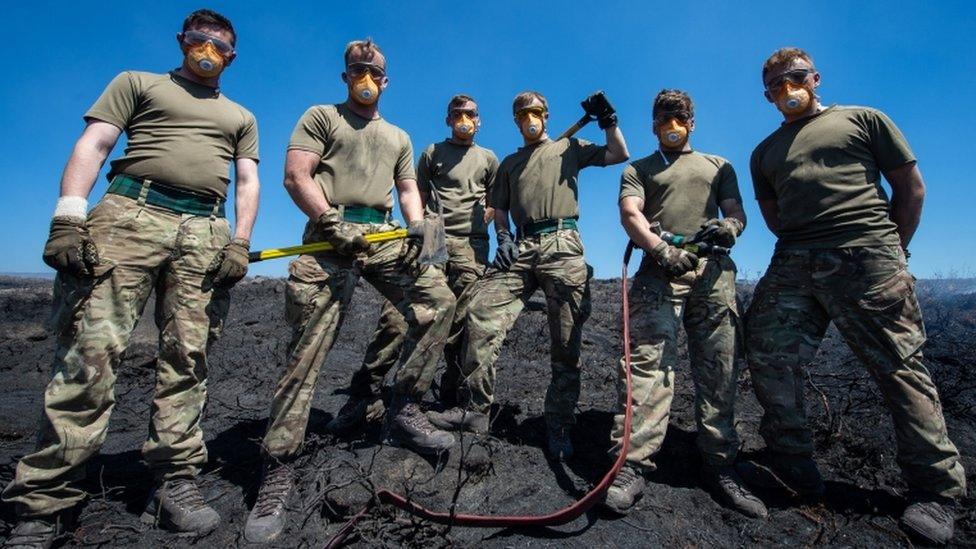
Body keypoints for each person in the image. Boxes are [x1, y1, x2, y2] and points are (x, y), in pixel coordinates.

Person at [2, 9, 260, 545]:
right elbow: (96, 144)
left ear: (232, 57)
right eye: (199, 39)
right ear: (183, 41)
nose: (208, 49)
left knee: (189, 355)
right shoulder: (137, 83)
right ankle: (46, 499)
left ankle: (173, 481)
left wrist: (239, 241)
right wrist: (70, 215)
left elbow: (247, 180)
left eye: (220, 44)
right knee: (90, 350)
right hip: (130, 213)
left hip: (204, 229)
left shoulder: (240, 115)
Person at [743, 47, 967, 545]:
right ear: (768, 97)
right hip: (795, 259)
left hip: (867, 253)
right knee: (765, 349)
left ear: (815, 77)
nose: (787, 89)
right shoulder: (763, 152)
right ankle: (792, 463)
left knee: (899, 365)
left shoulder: (864, 119)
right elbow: (773, 214)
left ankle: (936, 491)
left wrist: (894, 250)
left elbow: (910, 186)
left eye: (794, 78)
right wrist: (801, 244)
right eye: (775, 86)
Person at [244, 39, 457, 544]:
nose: (366, 77)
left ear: (386, 80)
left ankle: (403, 405)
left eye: (374, 71)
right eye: (357, 70)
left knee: (439, 301)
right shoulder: (321, 117)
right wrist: (330, 221)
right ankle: (278, 467)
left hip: (384, 237)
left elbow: (409, 193)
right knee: (306, 353)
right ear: (346, 77)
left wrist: (424, 237)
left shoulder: (399, 137)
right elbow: (296, 175)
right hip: (330, 237)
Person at [601, 90, 766, 518]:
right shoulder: (639, 169)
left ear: (691, 122)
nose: (670, 124)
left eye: (678, 117)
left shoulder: (718, 166)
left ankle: (720, 464)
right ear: (653, 125)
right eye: (662, 119)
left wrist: (730, 228)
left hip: (713, 275)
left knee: (720, 366)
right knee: (646, 367)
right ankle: (630, 464)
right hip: (659, 275)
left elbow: (736, 212)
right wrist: (659, 250)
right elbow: (630, 214)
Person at [453, 90, 629, 459]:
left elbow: (617, 154)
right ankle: (475, 411)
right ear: (516, 121)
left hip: (563, 244)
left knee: (566, 344)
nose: (529, 119)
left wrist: (609, 122)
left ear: (546, 115)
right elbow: (498, 208)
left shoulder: (570, 148)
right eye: (521, 115)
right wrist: (502, 237)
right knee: (479, 313)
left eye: (534, 112)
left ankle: (559, 424)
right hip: (521, 248)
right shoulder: (510, 163)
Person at [328, 94, 499, 434]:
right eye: (457, 114)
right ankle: (365, 395)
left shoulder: (489, 159)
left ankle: (450, 401)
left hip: (472, 246)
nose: (464, 119)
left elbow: (494, 203)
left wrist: (475, 229)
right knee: (400, 315)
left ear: (479, 120)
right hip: (432, 237)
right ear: (448, 119)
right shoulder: (431, 154)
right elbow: (415, 195)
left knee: (460, 325)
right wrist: (422, 230)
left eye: (470, 114)